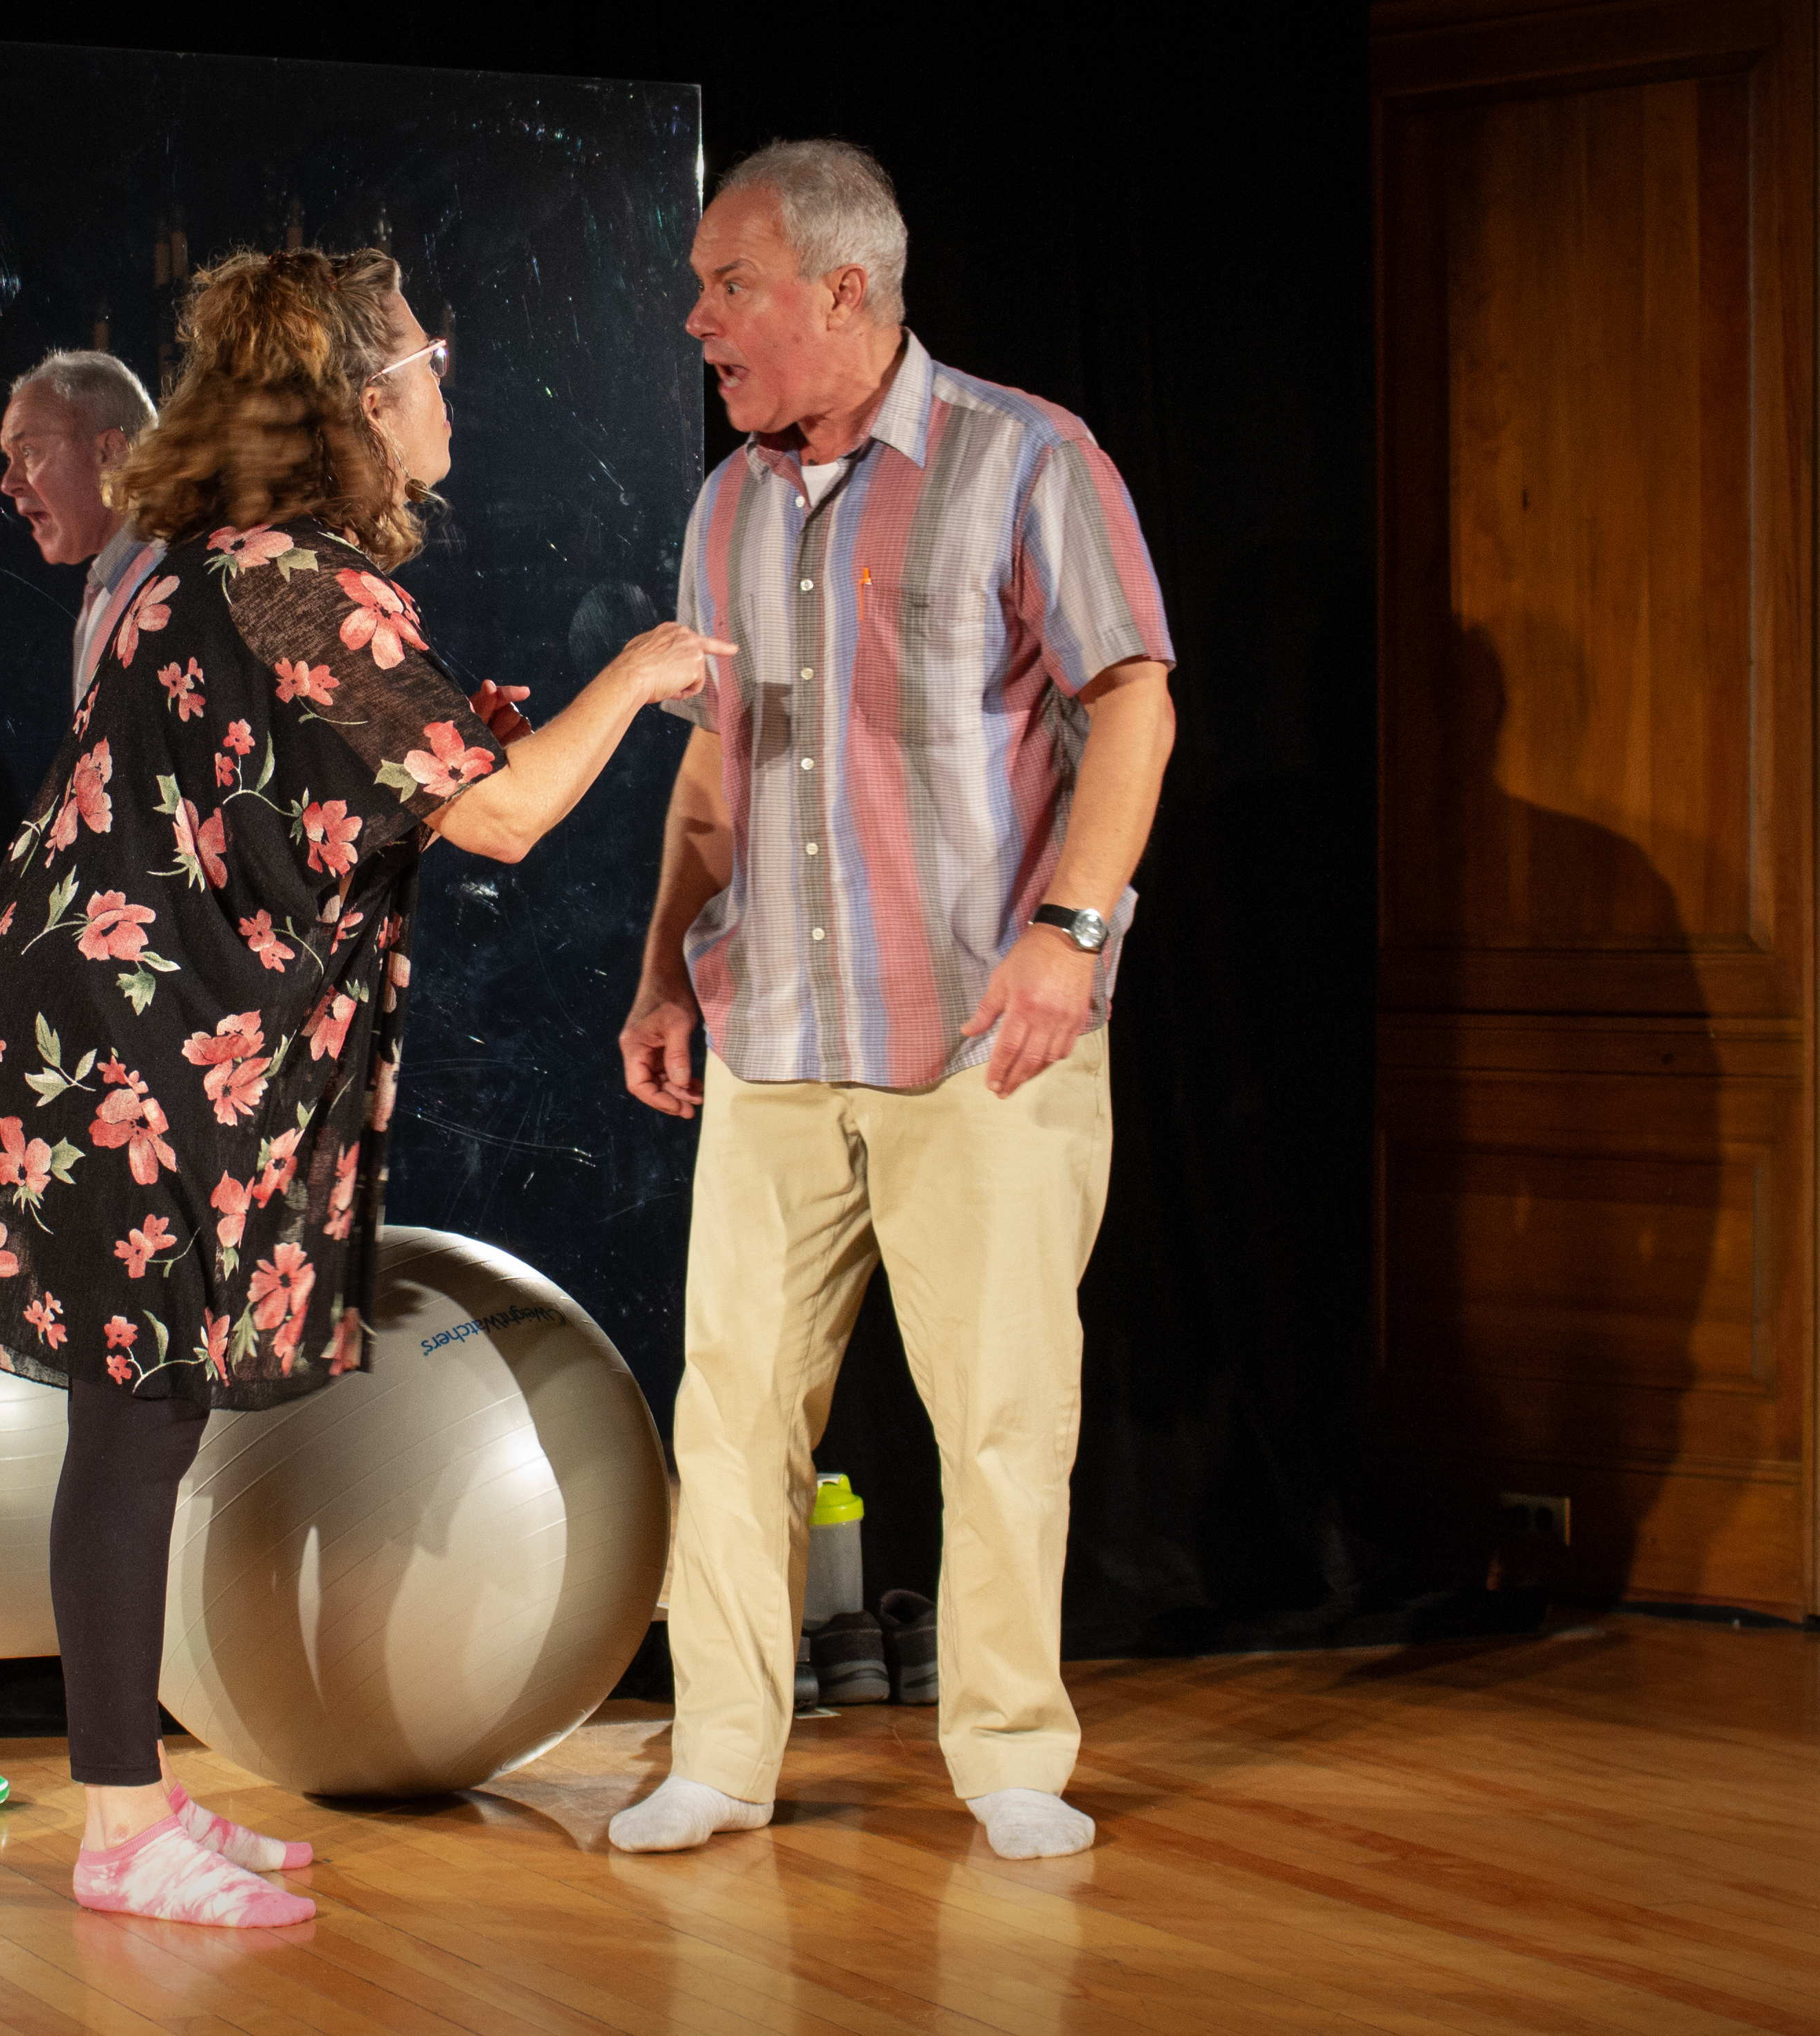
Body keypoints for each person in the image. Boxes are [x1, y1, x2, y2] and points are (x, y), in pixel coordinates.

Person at [0, 245, 731, 1927]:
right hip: (134, 1042)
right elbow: (497, 815)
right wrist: (643, 675)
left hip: (130, 1024)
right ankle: (123, 1827)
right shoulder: (296, 577)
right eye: (430, 358)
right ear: (364, 398)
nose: (449, 387)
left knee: (144, 1420)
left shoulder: (239, 567)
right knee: (135, 1427)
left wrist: (475, 723)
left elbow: (320, 783)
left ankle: (138, 1805)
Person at [609, 140, 1177, 1862]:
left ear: (843, 289)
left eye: (730, 284)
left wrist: (1070, 928)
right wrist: (659, 966)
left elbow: (1132, 702)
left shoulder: (1025, 458)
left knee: (1002, 1406)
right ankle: (718, 1751)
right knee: (731, 1405)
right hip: (774, 1031)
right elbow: (713, 771)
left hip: (976, 1035)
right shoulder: (723, 504)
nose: (698, 316)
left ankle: (1009, 1748)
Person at [0, 348, 166, 712]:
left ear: (111, 453)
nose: (9, 483)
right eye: (9, 459)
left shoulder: (168, 581)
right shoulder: (108, 592)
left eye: (28, 451)